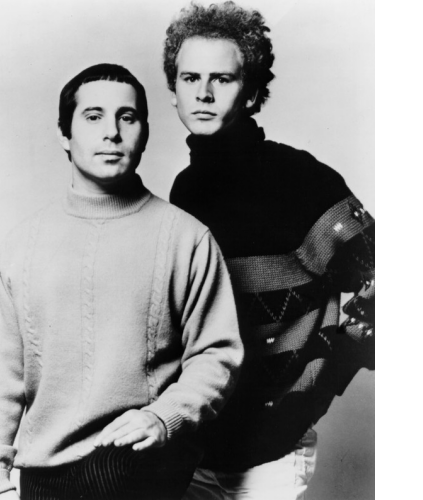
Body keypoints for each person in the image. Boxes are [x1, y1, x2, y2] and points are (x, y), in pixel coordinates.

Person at [0, 63, 244, 500]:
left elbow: (217, 355)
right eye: (94, 117)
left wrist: (163, 417)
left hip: (141, 466)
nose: (112, 133)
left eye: (127, 117)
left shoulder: (186, 238)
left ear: (145, 133)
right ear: (65, 134)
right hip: (44, 477)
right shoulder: (22, 245)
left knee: (113, 470)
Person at [163, 2, 376, 499]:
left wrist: (326, 374)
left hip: (272, 453)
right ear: (173, 91)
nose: (203, 93)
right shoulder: (185, 189)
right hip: (196, 448)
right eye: (190, 78)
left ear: (254, 92)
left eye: (222, 79)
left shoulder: (302, 181)